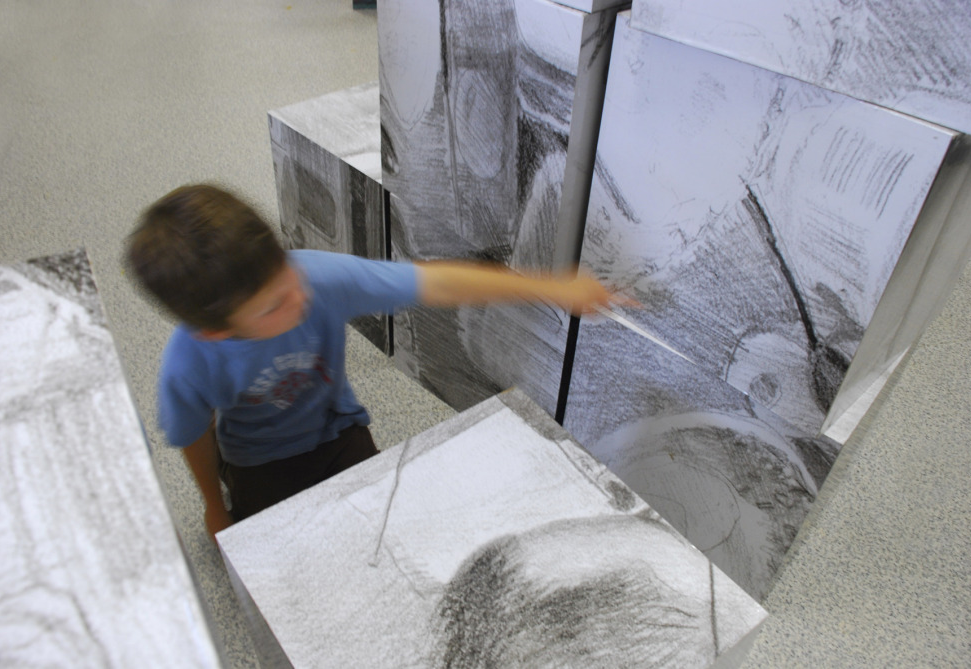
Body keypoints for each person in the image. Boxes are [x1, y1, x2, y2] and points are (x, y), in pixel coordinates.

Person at [126, 183, 613, 539]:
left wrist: (550, 287)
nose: (298, 298)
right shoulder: (188, 363)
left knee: (383, 532)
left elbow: (436, 283)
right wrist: (214, 507)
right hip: (256, 460)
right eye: (273, 306)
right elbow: (193, 436)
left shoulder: (316, 277)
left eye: (285, 274)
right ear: (217, 329)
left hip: (338, 431)